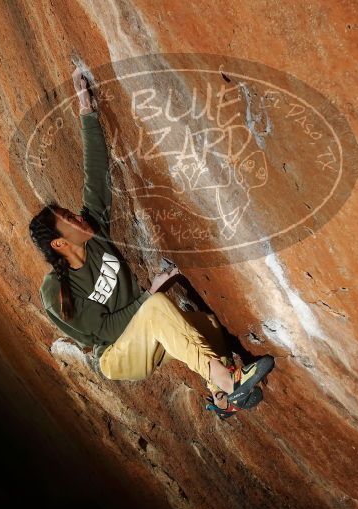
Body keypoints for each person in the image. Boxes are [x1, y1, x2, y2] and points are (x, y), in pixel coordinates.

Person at [29, 67, 273, 419]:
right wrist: (150, 291)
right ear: (59, 245)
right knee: (157, 306)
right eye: (68, 220)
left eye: (71, 213)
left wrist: (87, 112)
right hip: (119, 354)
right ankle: (229, 381)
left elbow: (96, 176)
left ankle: (222, 399)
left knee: (208, 328)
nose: (77, 218)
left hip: (150, 334)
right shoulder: (56, 290)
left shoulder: (95, 234)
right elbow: (108, 329)